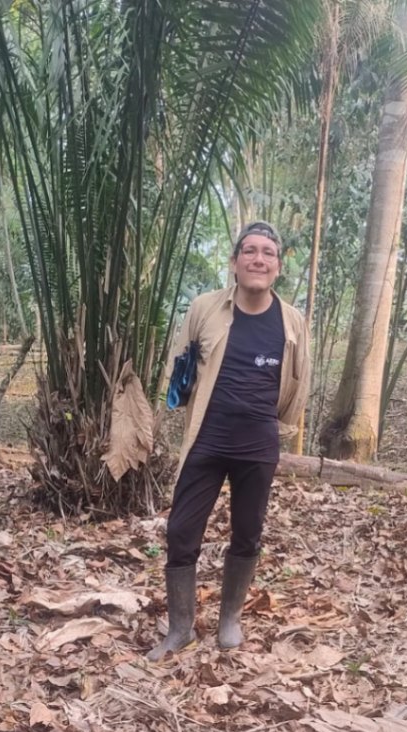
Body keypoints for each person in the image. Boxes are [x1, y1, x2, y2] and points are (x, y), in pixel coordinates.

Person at [147, 221, 310, 660]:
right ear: (234, 262)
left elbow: (298, 384)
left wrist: (279, 428)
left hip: (258, 442)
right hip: (206, 437)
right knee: (182, 531)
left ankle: (229, 620)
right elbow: (180, 362)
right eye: (250, 251)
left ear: (277, 267)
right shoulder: (204, 308)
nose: (259, 259)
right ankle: (180, 628)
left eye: (268, 254)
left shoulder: (291, 321)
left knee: (248, 531)